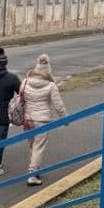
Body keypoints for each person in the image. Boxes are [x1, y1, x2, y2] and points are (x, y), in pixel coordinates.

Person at [21, 53, 67, 186]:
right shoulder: (51, 85)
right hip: (42, 121)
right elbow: (58, 105)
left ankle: (35, 169)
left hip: (28, 120)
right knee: (38, 147)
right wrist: (65, 118)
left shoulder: (25, 82)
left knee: (32, 146)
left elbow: (21, 98)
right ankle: (32, 174)